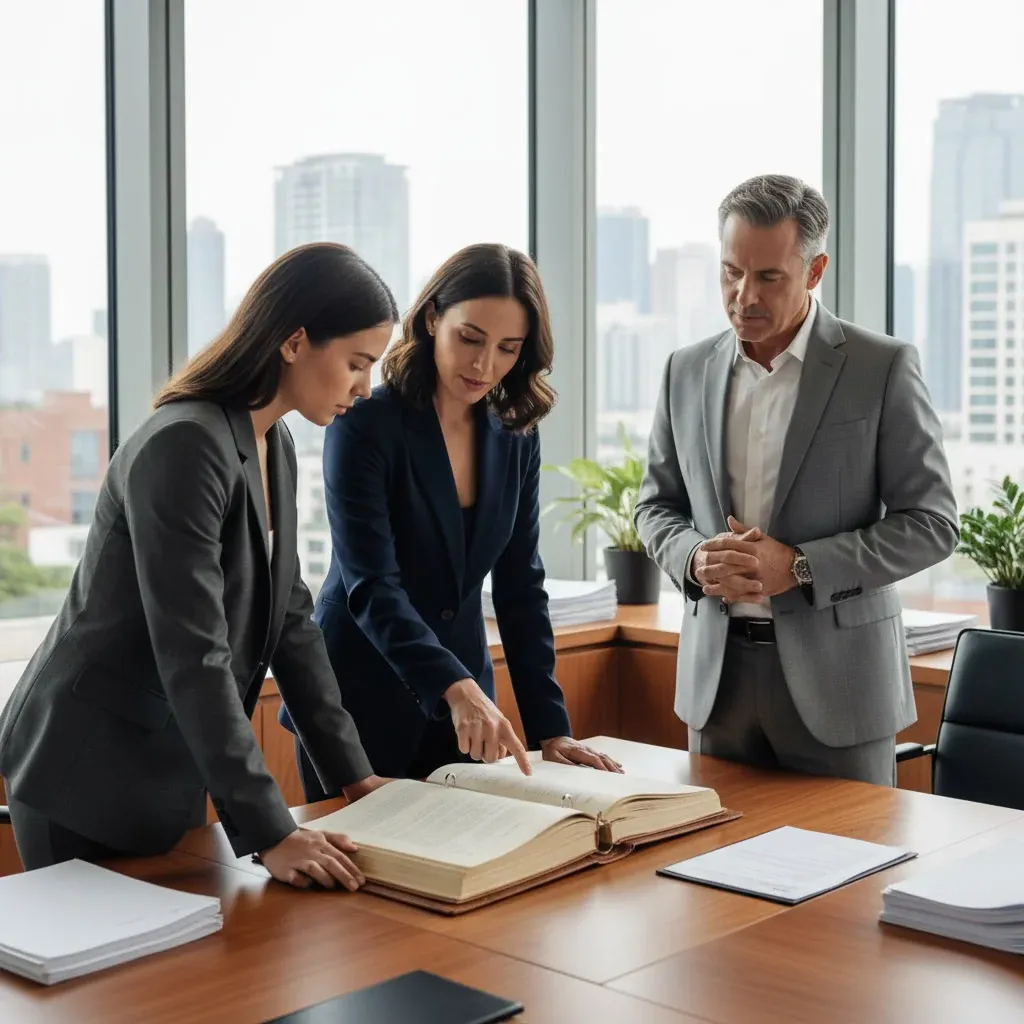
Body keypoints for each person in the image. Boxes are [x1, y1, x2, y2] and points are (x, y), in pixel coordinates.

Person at [0, 243, 395, 887]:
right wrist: (274, 833)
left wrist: (355, 775)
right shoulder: (185, 443)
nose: (364, 387)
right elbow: (193, 651)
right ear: (294, 342)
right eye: (356, 363)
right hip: (86, 771)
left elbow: (291, 617)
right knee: (120, 983)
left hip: (169, 765)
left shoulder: (276, 441)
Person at [635, 174, 959, 786]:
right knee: (709, 874)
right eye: (731, 272)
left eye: (768, 277)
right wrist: (693, 557)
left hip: (841, 689)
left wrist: (803, 566)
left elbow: (933, 523)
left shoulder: (880, 367)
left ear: (814, 271)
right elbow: (656, 506)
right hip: (716, 686)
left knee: (851, 876)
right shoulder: (685, 369)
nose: (742, 295)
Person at [280, 242, 622, 797]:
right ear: (433, 316)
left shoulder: (516, 433)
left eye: (509, 348)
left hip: (465, 712)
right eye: (470, 338)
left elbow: (520, 586)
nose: (485, 365)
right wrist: (453, 686)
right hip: (358, 700)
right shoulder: (365, 422)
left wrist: (551, 731)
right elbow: (371, 586)